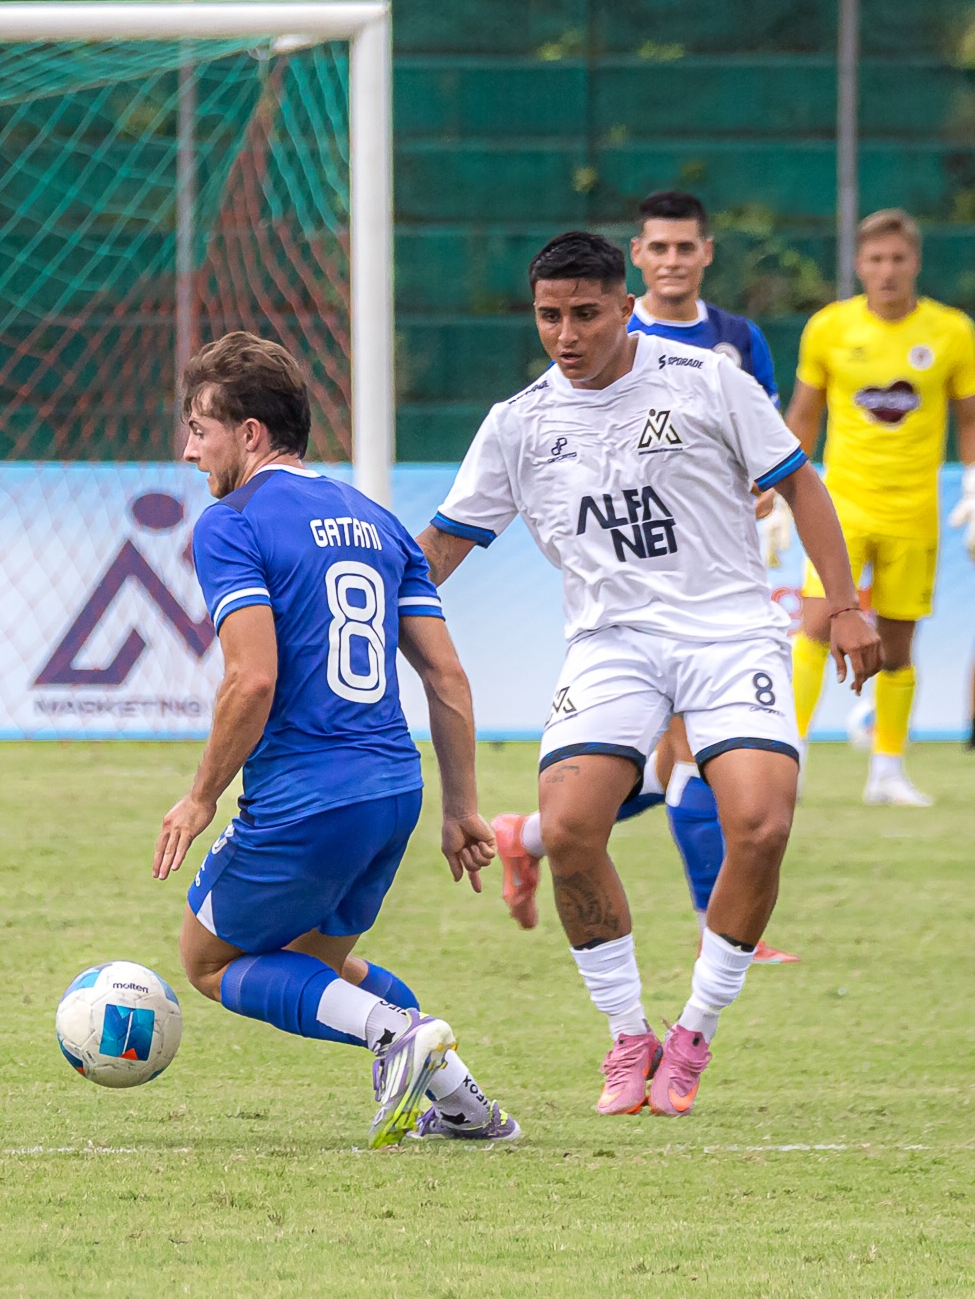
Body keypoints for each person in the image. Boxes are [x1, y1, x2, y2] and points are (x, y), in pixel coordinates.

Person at [416, 233, 881, 1118]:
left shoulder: (708, 380)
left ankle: (694, 1033)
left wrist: (845, 604)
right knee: (570, 826)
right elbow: (442, 544)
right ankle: (628, 1035)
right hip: (612, 644)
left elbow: (800, 484)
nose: (566, 335)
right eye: (550, 316)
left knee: (761, 824)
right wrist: (358, 600)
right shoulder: (519, 423)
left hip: (730, 633)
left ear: (626, 307)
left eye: (586, 314)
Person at [153, 330, 519, 1147]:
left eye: (200, 431)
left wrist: (201, 797)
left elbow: (252, 680)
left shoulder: (230, 523)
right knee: (313, 963)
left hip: (307, 797)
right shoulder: (381, 524)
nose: (189, 451)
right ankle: (463, 1107)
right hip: (392, 793)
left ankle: (395, 1035)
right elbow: (448, 678)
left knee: (208, 962)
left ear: (250, 433)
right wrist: (461, 808)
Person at [492, 191, 798, 964]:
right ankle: (712, 925)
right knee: (687, 759)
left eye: (684, 247)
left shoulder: (734, 344)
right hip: (640, 600)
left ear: (706, 254)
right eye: (658, 247)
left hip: (723, 572)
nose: (671, 260)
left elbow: (766, 442)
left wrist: (766, 489)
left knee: (680, 763)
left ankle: (530, 836)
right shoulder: (599, 343)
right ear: (638, 259)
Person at [783, 209, 975, 805]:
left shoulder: (952, 332)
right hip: (842, 506)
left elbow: (969, 418)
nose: (887, 270)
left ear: (915, 262)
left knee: (897, 646)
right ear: (858, 265)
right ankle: (789, 756)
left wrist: (974, 485)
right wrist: (777, 490)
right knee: (816, 624)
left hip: (914, 512)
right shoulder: (829, 328)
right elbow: (804, 415)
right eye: (876, 259)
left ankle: (887, 770)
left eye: (897, 259)